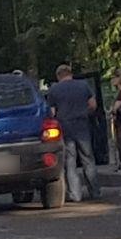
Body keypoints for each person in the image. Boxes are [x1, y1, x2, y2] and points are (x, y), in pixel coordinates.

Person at [47, 64, 100, 201]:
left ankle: (75, 194)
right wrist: (85, 113)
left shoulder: (54, 89)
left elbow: (52, 112)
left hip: (65, 127)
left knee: (70, 161)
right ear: (71, 73)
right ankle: (95, 191)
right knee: (88, 159)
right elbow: (93, 105)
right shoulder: (83, 85)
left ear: (58, 76)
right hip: (82, 125)